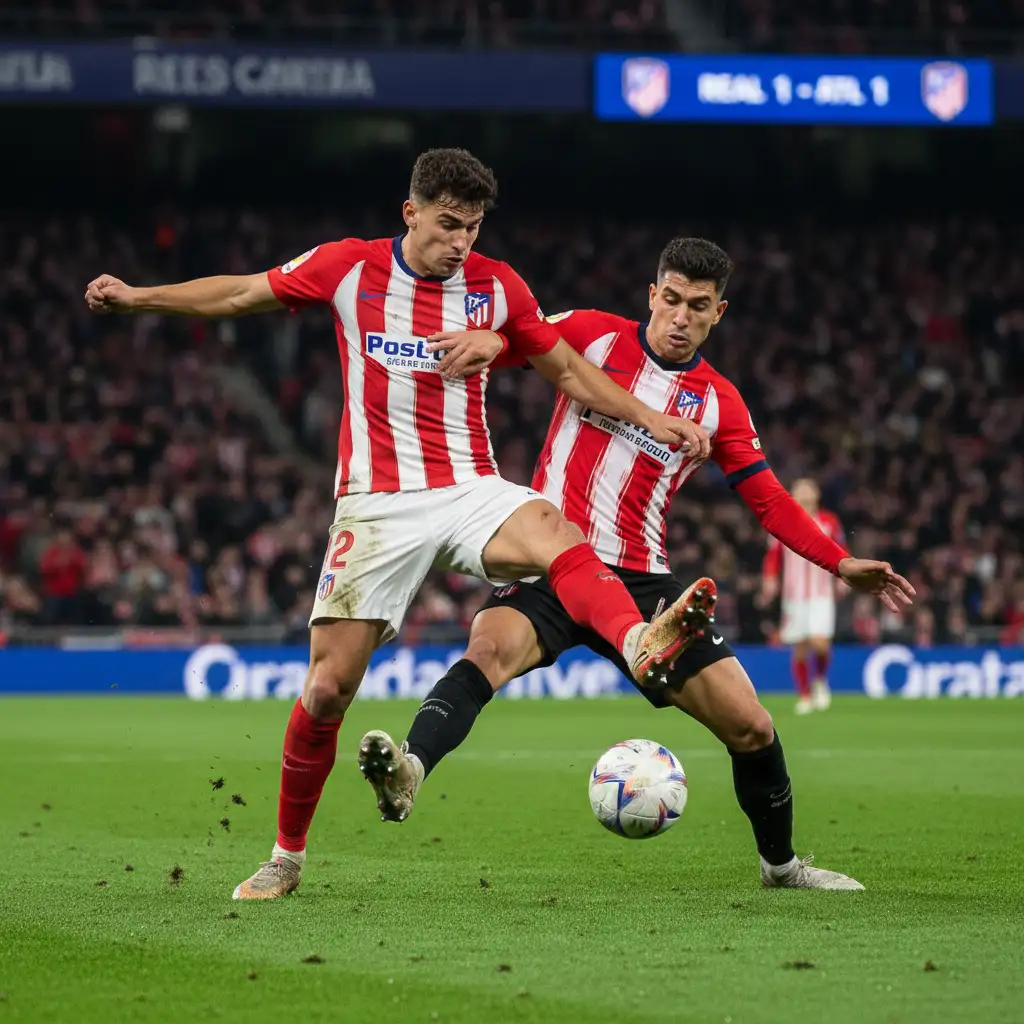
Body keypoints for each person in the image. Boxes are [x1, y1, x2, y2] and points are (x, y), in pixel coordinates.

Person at [84, 148, 716, 900]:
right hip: (376, 503)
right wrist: (139, 296)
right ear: (410, 212)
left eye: (473, 228)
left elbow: (572, 372)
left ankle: (638, 642)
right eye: (448, 224)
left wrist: (653, 417)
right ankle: (285, 857)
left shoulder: (499, 285)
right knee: (326, 691)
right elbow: (239, 295)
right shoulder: (349, 268)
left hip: (468, 486)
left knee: (555, 530)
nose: (460, 243)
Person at [357, 237, 915, 891]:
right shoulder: (591, 336)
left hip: (643, 581)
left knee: (752, 724)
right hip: (553, 559)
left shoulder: (718, 403)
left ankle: (781, 866)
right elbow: (514, 342)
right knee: (487, 649)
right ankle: (410, 771)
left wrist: (839, 561)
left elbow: (768, 501)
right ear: (652, 295)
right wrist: (488, 344)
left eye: (697, 306)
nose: (680, 316)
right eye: (671, 299)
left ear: (719, 313)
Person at [761, 479, 845, 714]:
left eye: (809, 489)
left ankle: (819, 680)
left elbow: (839, 550)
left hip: (821, 594)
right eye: (799, 489)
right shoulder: (782, 521)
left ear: (817, 494)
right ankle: (805, 695)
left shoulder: (829, 521)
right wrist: (769, 580)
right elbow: (773, 555)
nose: (805, 493)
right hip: (794, 595)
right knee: (799, 647)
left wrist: (842, 578)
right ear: (792, 494)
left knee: (820, 643)